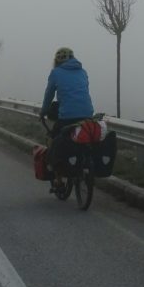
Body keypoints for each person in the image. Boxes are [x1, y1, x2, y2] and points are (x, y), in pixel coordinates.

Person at [39, 47, 95, 189]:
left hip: (67, 116)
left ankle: (58, 179)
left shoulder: (56, 73)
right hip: (87, 114)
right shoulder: (83, 72)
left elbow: (49, 95)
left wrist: (43, 112)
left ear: (56, 61)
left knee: (54, 139)